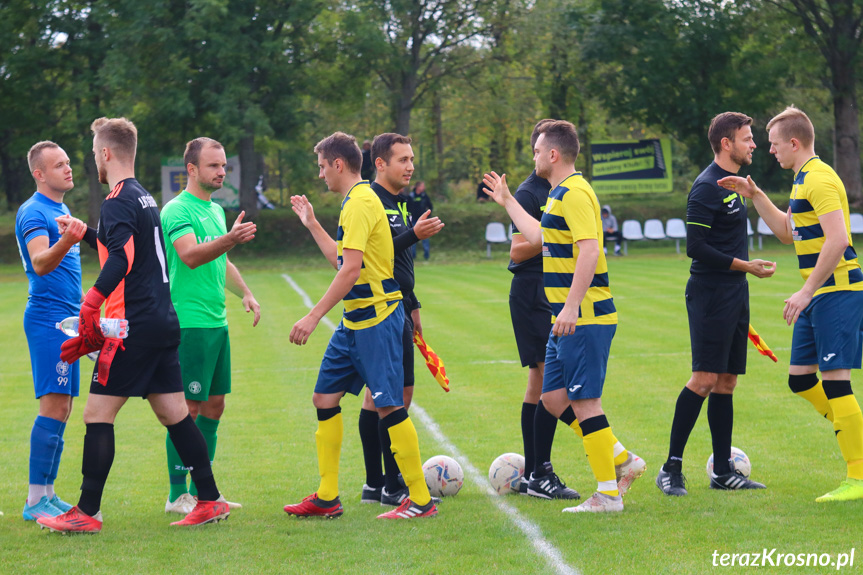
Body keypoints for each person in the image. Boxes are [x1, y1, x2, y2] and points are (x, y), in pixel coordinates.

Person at [37, 117, 229, 533]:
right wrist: (87, 233)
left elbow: (122, 260)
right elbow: (127, 248)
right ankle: (210, 499)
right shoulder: (142, 197)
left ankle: (87, 511)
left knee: (96, 415)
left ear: (105, 153)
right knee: (176, 414)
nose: (93, 161)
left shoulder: (117, 200)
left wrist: (91, 302)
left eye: (93, 154)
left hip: (134, 326)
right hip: (163, 321)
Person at [484, 120, 644, 513]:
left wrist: (572, 305)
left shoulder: (574, 192)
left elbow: (589, 250)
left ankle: (607, 495)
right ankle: (623, 460)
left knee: (586, 402)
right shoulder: (557, 193)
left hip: (584, 316)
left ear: (553, 154)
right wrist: (506, 200)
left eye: (538, 150)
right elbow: (537, 237)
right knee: (554, 399)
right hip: (562, 319)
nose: (534, 156)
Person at [284, 131, 437, 519]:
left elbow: (350, 270)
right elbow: (344, 259)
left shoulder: (359, 203)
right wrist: (312, 225)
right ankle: (327, 496)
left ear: (338, 164)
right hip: (354, 322)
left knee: (389, 406)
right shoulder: (361, 199)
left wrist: (313, 315)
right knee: (324, 398)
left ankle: (420, 500)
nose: (320, 176)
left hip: (376, 320)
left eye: (322, 167)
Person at [718, 106, 863, 502]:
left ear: (794, 143)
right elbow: (786, 232)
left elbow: (838, 240)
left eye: (774, 144)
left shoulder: (820, 179)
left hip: (836, 293)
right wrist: (756, 195)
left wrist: (806, 291)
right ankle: (853, 431)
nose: (769, 151)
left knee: (836, 383)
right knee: (800, 379)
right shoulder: (801, 181)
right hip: (820, 295)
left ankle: (858, 476)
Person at [655, 112, 775, 497]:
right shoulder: (706, 187)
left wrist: (743, 273)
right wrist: (746, 266)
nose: (753, 143)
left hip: (736, 292)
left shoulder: (736, 186)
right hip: (710, 294)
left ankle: (723, 470)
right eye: (747, 137)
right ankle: (670, 467)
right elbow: (696, 248)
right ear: (727, 143)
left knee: (727, 381)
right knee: (704, 379)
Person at [160, 137, 260, 514]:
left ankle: (206, 491)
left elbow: (223, 262)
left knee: (214, 405)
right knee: (187, 409)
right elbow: (189, 256)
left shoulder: (215, 211)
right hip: (189, 325)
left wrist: (245, 293)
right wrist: (229, 238)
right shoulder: (176, 210)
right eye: (214, 166)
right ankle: (177, 494)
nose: (221, 172)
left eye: (223, 166)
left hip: (216, 323)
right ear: (191, 169)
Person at [357, 133, 444, 506]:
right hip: (380, 308)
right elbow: (371, 256)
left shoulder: (402, 203)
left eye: (411, 159)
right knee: (391, 397)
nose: (410, 166)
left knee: (382, 397)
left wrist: (414, 304)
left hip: (401, 306)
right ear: (380, 163)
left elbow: (401, 263)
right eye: (402, 160)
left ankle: (376, 484)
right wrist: (413, 235)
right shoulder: (370, 200)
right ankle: (389, 485)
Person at [15, 141, 92, 521]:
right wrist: (68, 239)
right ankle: (34, 501)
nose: (68, 169)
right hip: (47, 319)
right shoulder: (34, 211)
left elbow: (64, 275)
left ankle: (47, 492)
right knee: (54, 404)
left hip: (66, 318)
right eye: (58, 165)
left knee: (64, 406)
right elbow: (40, 262)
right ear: (39, 174)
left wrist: (85, 312)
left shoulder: (61, 208)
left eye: (68, 162)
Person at [507, 119, 578, 500]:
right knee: (553, 384)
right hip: (532, 291)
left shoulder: (564, 189)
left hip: (552, 290)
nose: (537, 154)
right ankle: (545, 471)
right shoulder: (529, 191)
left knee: (538, 385)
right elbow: (518, 250)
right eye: (536, 147)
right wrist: (552, 232)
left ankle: (536, 473)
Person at [408, 182, 433, 260]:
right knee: (413, 237)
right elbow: (407, 207)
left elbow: (430, 206)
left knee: (425, 237)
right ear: (418, 187)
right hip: (413, 220)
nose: (424, 187)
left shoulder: (424, 196)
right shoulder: (411, 196)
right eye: (422, 186)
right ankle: (413, 256)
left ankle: (426, 255)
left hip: (424, 220)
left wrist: (428, 215)